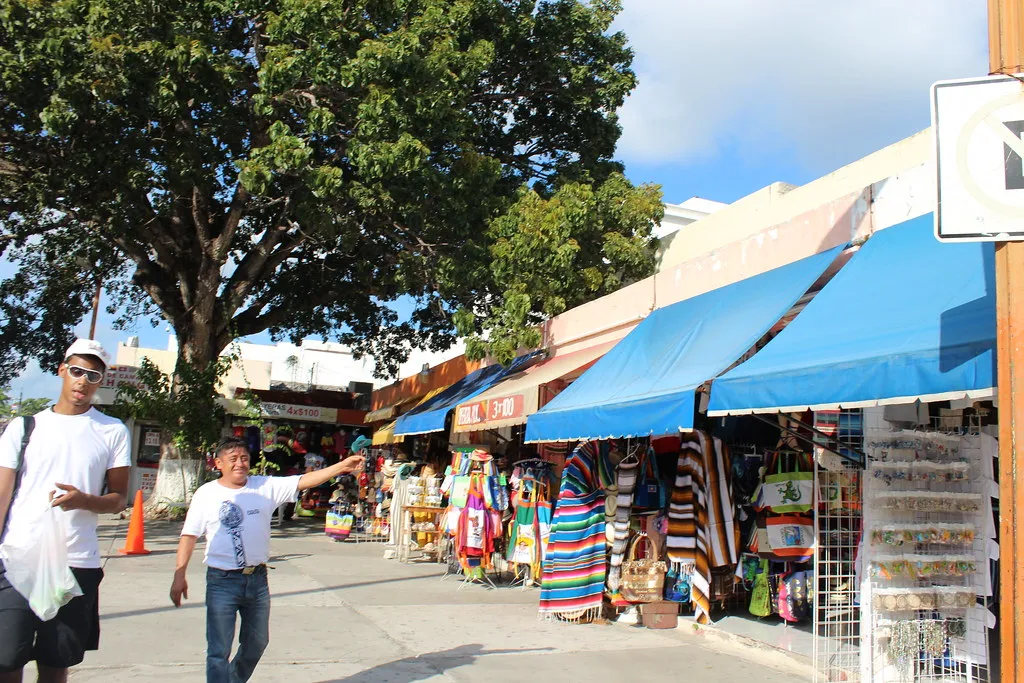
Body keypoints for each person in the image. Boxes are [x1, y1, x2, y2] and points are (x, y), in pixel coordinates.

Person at [170, 437, 363, 683]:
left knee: (258, 642)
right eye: (233, 459)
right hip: (222, 581)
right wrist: (179, 574)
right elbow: (189, 535)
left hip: (257, 580)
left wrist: (341, 465)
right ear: (218, 463)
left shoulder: (264, 486)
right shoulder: (207, 494)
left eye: (244, 458)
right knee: (219, 650)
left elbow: (304, 481)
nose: (240, 464)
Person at [0, 339, 131, 683]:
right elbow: (2, 494)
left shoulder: (112, 430)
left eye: (93, 375)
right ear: (62, 370)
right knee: (6, 658)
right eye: (77, 371)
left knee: (56, 661)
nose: (83, 381)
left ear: (101, 381)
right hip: (18, 556)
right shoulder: (24, 427)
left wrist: (84, 501)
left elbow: (120, 498)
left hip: (77, 562)